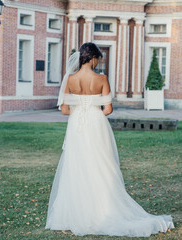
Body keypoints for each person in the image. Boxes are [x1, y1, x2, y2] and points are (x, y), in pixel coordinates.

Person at [45, 42, 175, 237]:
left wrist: (80, 111)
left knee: (76, 164)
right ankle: (104, 208)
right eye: (98, 59)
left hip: (76, 125)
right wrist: (93, 112)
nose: (98, 62)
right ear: (94, 58)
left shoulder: (70, 79)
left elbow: (64, 109)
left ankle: (74, 213)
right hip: (96, 124)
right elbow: (108, 109)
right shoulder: (102, 78)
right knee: (101, 164)